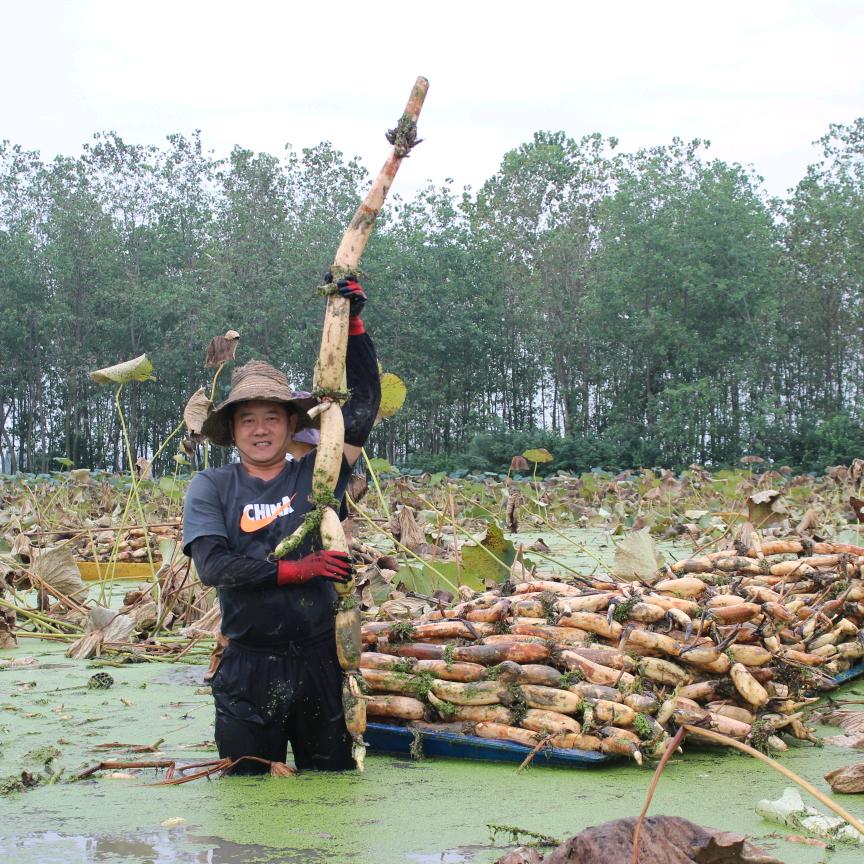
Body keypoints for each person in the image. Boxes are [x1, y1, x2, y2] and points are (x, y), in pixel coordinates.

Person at [182, 277, 380, 773]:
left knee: (330, 795)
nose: (261, 429)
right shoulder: (212, 487)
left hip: (319, 662)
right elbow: (215, 567)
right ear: (230, 429)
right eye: (247, 419)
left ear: (292, 425)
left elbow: (359, 413)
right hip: (247, 665)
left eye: (272, 417)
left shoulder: (319, 477)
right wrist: (301, 569)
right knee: (247, 796)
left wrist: (351, 324)